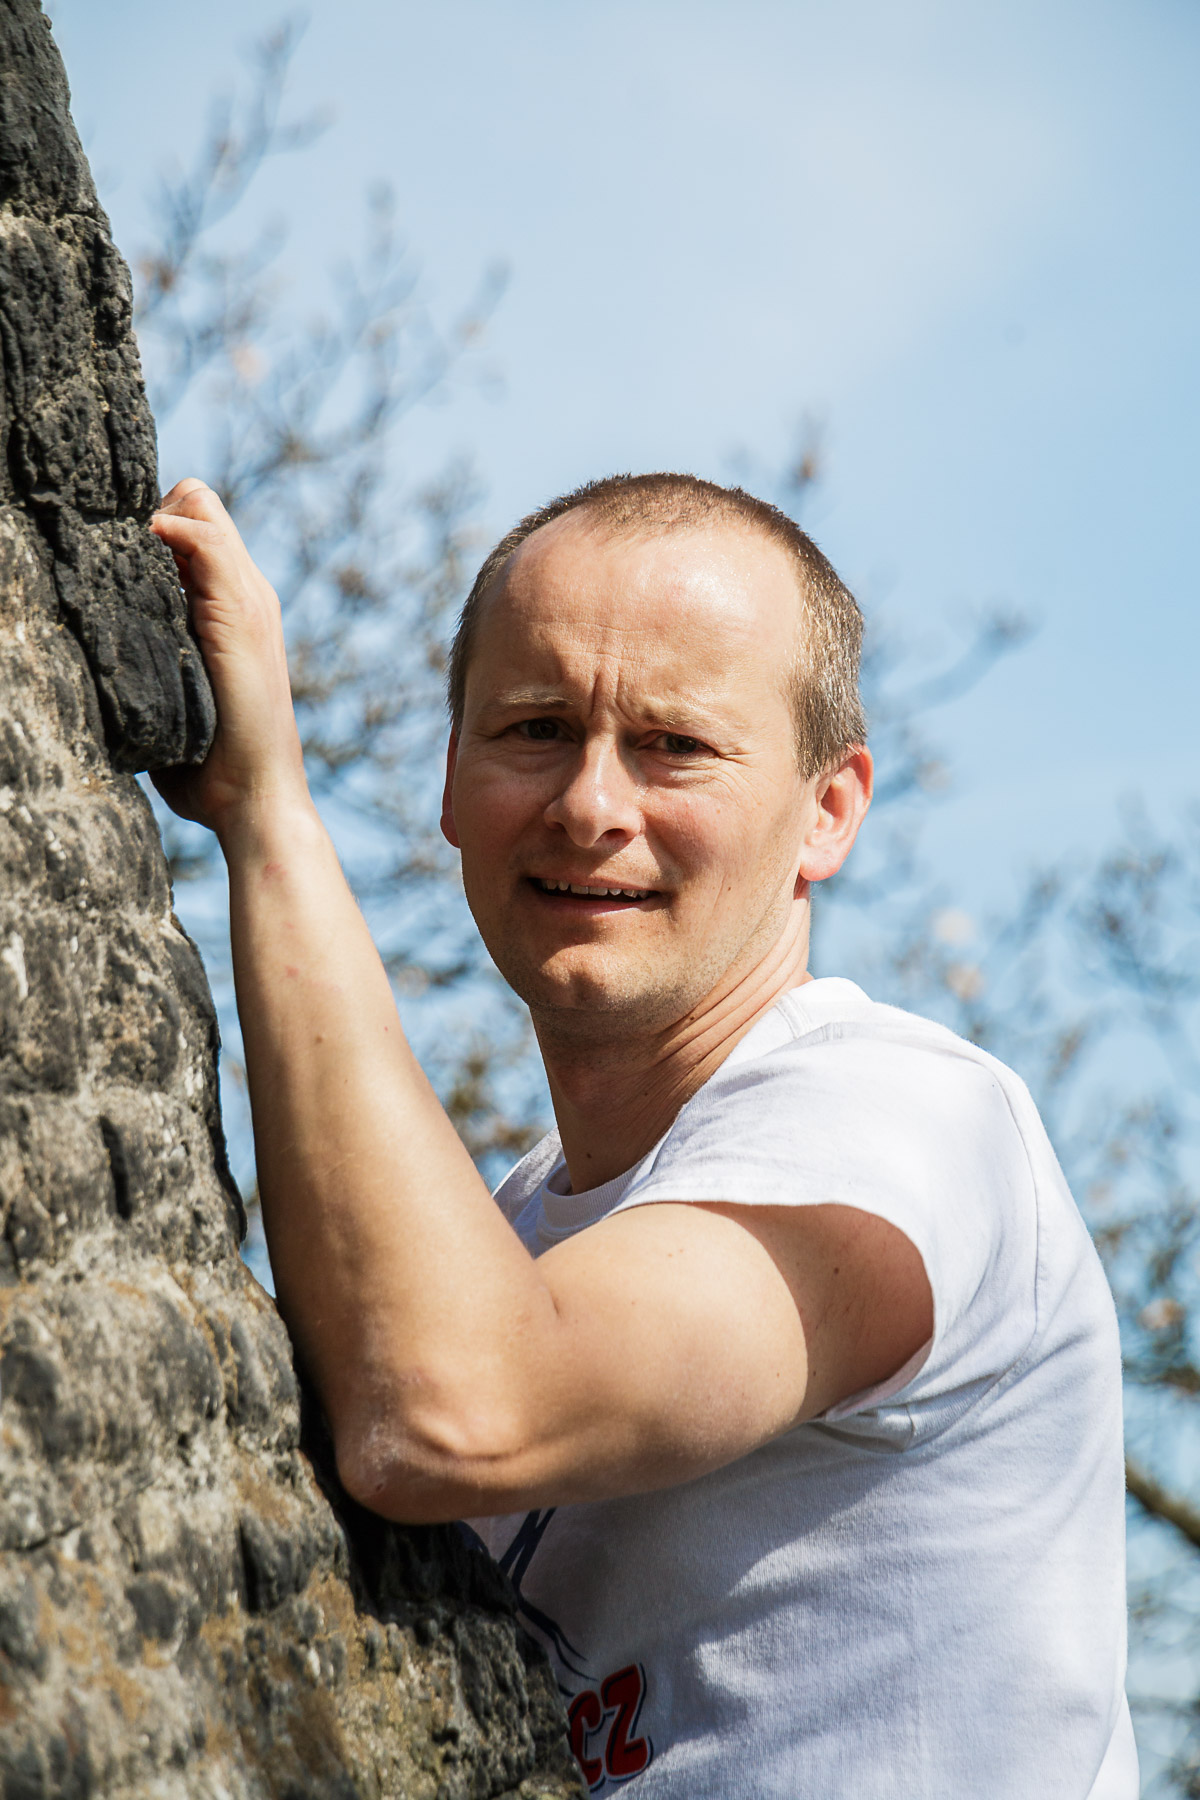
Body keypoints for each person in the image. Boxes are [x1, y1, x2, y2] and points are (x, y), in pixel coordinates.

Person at [151, 470, 1136, 1798]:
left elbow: (450, 1410)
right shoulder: (510, 1235)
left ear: (828, 811)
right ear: (451, 783)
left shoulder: (911, 1119)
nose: (591, 804)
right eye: (535, 728)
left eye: (674, 744)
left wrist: (267, 811)